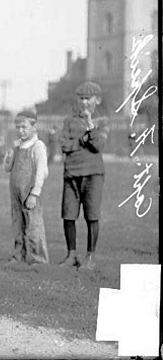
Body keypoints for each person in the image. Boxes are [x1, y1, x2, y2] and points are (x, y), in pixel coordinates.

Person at [58, 81, 109, 270]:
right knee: (68, 215)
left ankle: (90, 257)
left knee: (92, 216)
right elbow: (64, 146)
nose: (84, 102)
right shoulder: (68, 121)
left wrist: (89, 125)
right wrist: (82, 140)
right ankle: (71, 255)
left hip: (93, 175)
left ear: (98, 100)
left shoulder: (103, 121)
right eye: (81, 98)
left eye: (88, 98)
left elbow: (98, 146)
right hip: (71, 174)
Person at [3, 111, 49, 265]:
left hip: (29, 192)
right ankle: (18, 256)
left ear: (35, 127)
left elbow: (42, 172)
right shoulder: (17, 146)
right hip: (15, 191)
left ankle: (38, 259)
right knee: (17, 224)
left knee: (33, 225)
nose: (20, 130)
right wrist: (11, 152)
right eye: (18, 127)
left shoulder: (38, 146)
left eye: (24, 127)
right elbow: (7, 168)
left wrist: (34, 194)